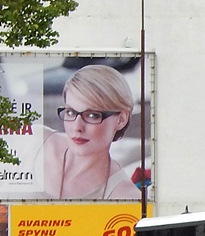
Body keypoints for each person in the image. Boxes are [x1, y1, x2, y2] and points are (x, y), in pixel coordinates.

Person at [40, 65, 139, 200]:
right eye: (70, 112)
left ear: (121, 119)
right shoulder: (34, 141)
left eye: (92, 115)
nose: (77, 127)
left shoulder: (126, 197)